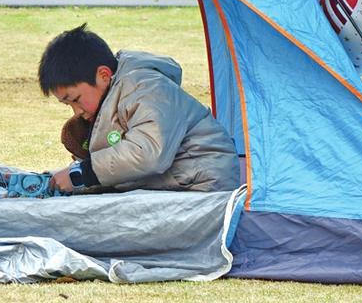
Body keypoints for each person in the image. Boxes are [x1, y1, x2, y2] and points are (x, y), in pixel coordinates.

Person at [38, 24, 240, 194]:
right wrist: (63, 179)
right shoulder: (113, 97)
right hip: (174, 185)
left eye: (76, 100)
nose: (77, 111)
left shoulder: (146, 87)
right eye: (69, 105)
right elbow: (120, 170)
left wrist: (81, 174)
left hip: (204, 185)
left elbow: (148, 153)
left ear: (104, 76)